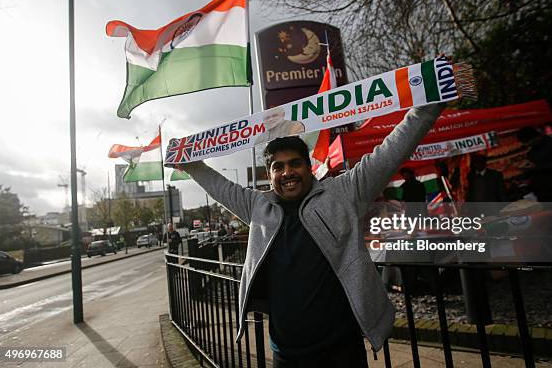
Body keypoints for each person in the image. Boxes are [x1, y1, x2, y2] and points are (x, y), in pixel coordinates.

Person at [180, 103, 444, 367]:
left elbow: (389, 153)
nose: (287, 173)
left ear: (309, 167)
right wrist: (189, 163)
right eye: (278, 167)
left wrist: (428, 106)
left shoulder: (344, 193)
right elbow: (219, 186)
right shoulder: (257, 207)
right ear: (269, 175)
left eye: (295, 163)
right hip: (285, 355)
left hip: (342, 351)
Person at [516, 127, 552, 202]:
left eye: (527, 141)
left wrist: (536, 167)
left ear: (535, 137)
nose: (526, 144)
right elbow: (534, 171)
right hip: (543, 195)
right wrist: (525, 172)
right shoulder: (531, 153)